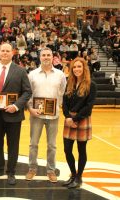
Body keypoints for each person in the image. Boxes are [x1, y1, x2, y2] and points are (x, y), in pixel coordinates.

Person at [0, 43, 32, 185]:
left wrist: (16, 106)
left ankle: (11, 172)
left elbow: (27, 92)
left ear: (12, 53)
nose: (5, 53)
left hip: (13, 115)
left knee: (13, 145)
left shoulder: (20, 71)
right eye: (2, 51)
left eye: (7, 51)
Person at [25, 47, 67, 183]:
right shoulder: (32, 74)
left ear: (53, 57)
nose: (46, 57)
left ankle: (51, 170)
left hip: (53, 115)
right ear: (40, 57)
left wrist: (58, 105)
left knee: (52, 145)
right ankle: (32, 168)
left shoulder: (60, 74)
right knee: (33, 144)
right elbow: (28, 93)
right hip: (36, 115)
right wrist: (30, 109)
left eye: (49, 55)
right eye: (44, 55)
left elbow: (62, 92)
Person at [62, 57, 97, 189]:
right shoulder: (69, 83)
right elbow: (64, 102)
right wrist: (67, 117)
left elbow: (89, 106)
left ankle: (79, 177)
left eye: (79, 66)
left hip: (82, 119)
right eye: (74, 67)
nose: (77, 69)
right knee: (67, 149)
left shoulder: (91, 85)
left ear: (84, 68)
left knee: (81, 150)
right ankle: (72, 174)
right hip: (69, 119)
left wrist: (75, 119)